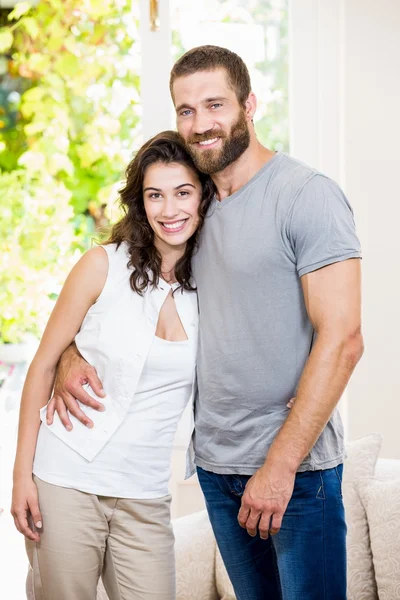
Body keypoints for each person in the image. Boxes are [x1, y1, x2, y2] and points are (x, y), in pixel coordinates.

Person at [43, 46, 363, 600]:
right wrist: (70, 351)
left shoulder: (306, 195)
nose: (200, 123)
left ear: (249, 105)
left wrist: (279, 468)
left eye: (214, 104)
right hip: (217, 470)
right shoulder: (195, 207)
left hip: (296, 475)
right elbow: (120, 285)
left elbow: (344, 341)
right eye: (185, 110)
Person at [11, 131, 215, 600]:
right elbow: (42, 366)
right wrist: (22, 475)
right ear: (139, 204)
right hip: (66, 479)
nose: (170, 210)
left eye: (183, 193)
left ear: (203, 197)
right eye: (154, 195)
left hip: (144, 491)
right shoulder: (101, 265)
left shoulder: (215, 283)